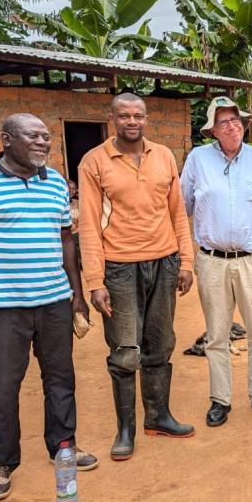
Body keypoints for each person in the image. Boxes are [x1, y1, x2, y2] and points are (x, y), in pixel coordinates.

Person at [0, 113, 97, 502]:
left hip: (53, 302)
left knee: (60, 378)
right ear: (6, 139)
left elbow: (66, 242)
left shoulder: (56, 184)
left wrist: (75, 294)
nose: (43, 142)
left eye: (46, 137)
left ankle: (63, 445)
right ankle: (2, 463)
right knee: (2, 386)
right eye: (33, 136)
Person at [78, 92, 196, 461]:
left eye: (139, 116)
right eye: (125, 115)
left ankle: (158, 416)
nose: (133, 122)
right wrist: (95, 281)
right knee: (127, 351)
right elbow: (87, 224)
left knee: (160, 343)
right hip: (119, 268)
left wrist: (186, 262)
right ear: (111, 118)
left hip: (164, 263)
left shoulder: (163, 156)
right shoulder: (94, 162)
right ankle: (126, 429)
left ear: (147, 119)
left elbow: (178, 213)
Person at [180, 96, 252, 426]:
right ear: (212, 129)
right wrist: (185, 257)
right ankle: (220, 399)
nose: (233, 125)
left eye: (237, 119)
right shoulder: (197, 159)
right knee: (217, 335)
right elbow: (181, 208)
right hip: (212, 261)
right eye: (224, 121)